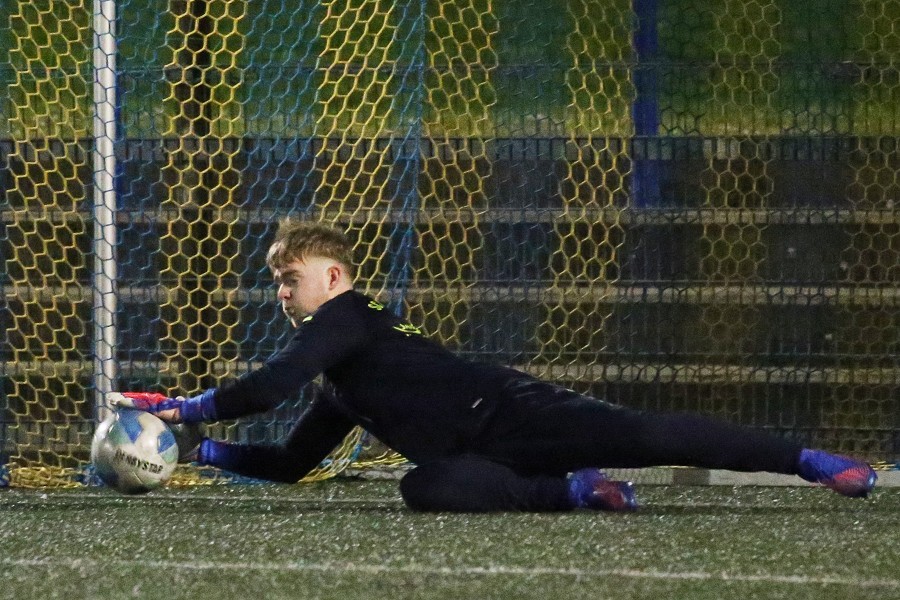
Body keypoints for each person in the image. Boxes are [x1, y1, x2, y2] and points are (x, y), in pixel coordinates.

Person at [112, 221, 877, 512]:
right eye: (276, 280)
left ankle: (810, 461)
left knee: (652, 434)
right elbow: (288, 462)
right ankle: (576, 493)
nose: (283, 291)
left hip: (512, 410)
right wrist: (196, 451)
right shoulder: (341, 377)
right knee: (425, 487)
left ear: (335, 278)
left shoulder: (348, 320)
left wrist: (184, 408)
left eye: (293, 277)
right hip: (476, 455)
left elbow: (268, 385)